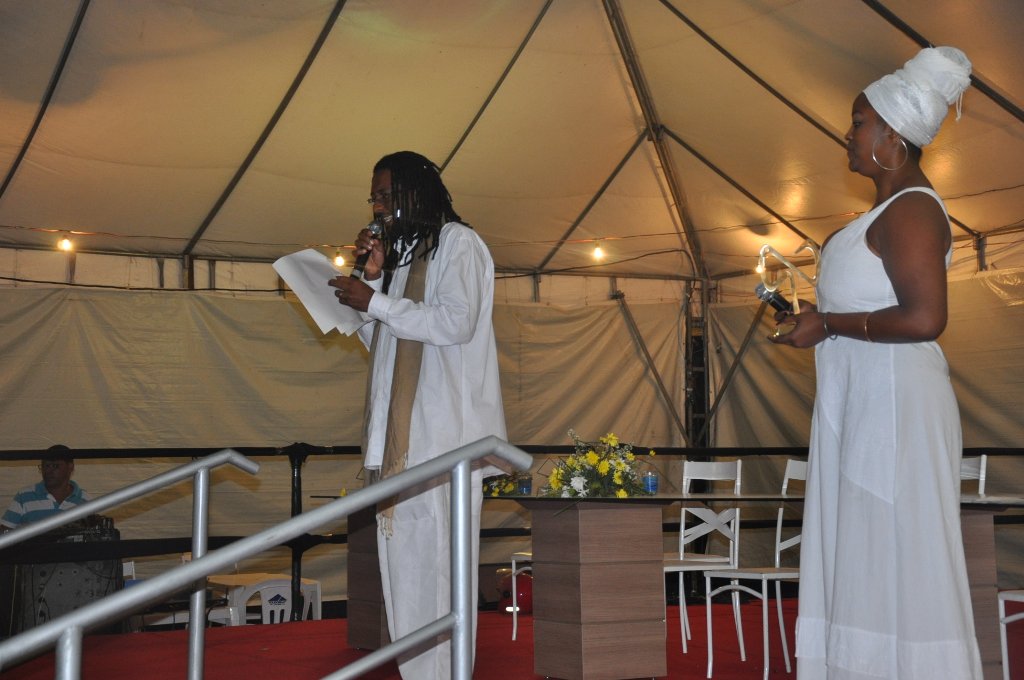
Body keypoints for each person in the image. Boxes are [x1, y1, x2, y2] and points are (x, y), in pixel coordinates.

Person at [769, 47, 980, 679]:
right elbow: (870, 307)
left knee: (896, 550)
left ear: (893, 133)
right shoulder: (885, 211)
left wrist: (829, 324)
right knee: (864, 548)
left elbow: (925, 318)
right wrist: (817, 320)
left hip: (895, 405)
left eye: (858, 123)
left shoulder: (913, 208)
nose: (848, 134)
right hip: (863, 399)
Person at [328, 151, 506, 680]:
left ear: (414, 191)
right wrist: (372, 289)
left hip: (444, 442)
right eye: (374, 198)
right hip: (403, 447)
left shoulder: (459, 244)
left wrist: (377, 302)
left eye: (385, 195)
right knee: (406, 580)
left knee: (442, 577)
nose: (377, 207)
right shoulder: (405, 257)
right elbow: (387, 347)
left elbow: (455, 323)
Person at [1, 445, 90, 531]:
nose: (48, 471)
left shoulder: (84, 498)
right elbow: (4, 532)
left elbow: (93, 534)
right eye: (46, 466)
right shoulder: (24, 496)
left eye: (55, 466)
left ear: (70, 467)